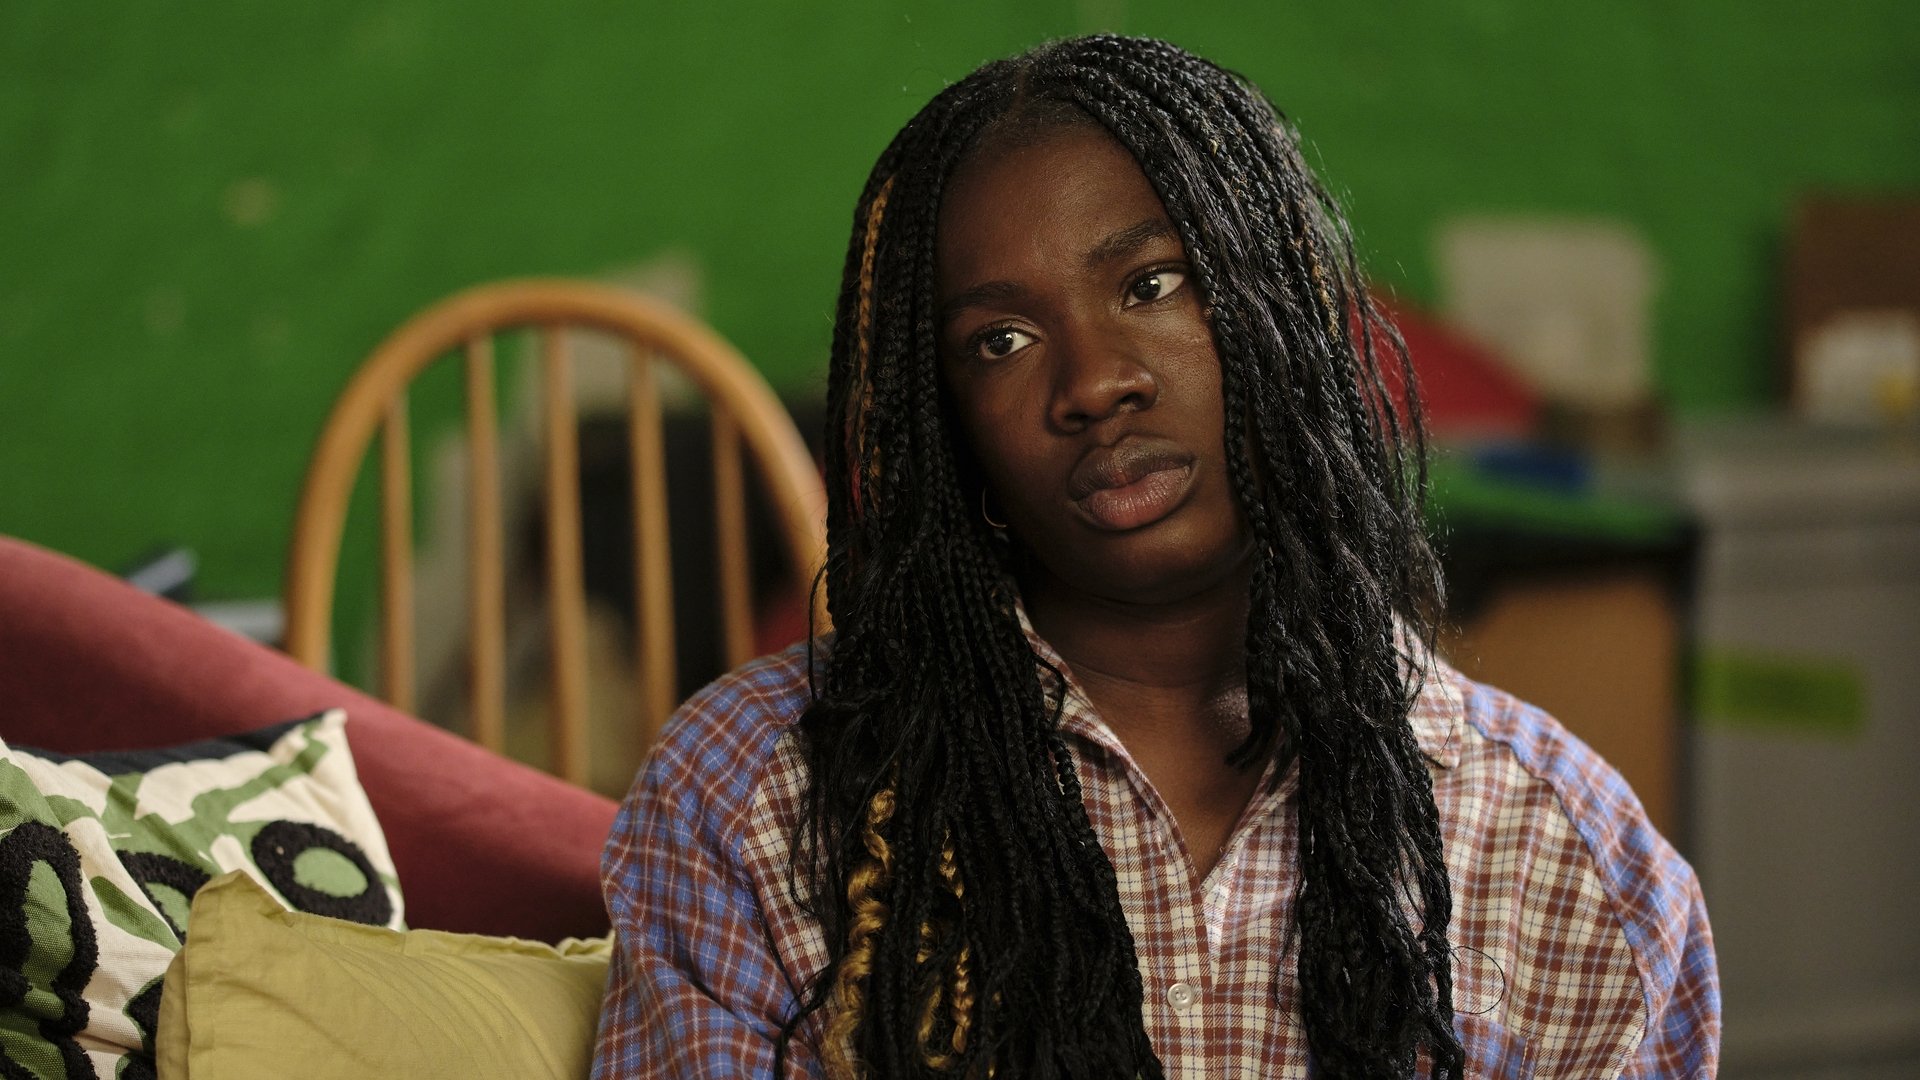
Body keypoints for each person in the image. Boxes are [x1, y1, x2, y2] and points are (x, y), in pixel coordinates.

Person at [593, 34, 1718, 1079]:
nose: (1093, 383)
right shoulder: (756, 798)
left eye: (1152, 285)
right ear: (948, 426)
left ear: (1282, 312)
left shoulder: (1568, 854)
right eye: (1001, 340)